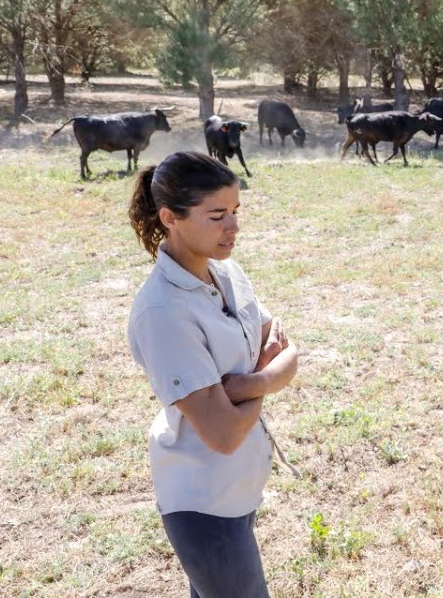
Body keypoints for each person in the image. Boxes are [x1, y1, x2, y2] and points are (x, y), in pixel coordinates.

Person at [127, 150, 300, 598]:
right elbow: (222, 433)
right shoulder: (163, 311)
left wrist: (252, 383)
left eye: (237, 212)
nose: (234, 227)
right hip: (204, 504)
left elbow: (288, 350)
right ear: (170, 217)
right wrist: (266, 373)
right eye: (217, 215)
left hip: (238, 487)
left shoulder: (229, 272)